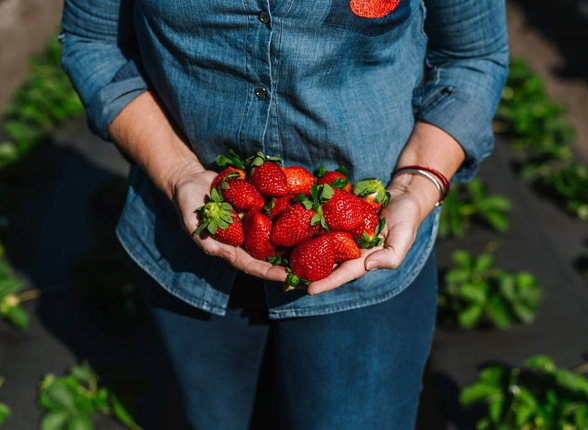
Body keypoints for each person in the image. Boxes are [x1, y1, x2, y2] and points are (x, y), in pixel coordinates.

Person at [60, 0, 508, 428]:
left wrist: (416, 182)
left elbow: (473, 57)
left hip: (369, 255)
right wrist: (178, 172)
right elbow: (93, 43)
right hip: (183, 246)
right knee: (213, 420)